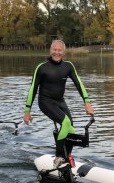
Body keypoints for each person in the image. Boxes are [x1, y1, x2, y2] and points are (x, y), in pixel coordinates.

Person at [23, 40, 94, 169]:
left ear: (64, 52)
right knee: (66, 123)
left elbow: (79, 83)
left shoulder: (68, 66)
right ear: (50, 51)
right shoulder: (42, 67)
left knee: (70, 128)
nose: (57, 52)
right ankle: (58, 157)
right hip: (45, 102)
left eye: (59, 50)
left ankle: (67, 157)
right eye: (54, 50)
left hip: (60, 101)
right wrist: (27, 111)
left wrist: (87, 102)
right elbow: (33, 89)